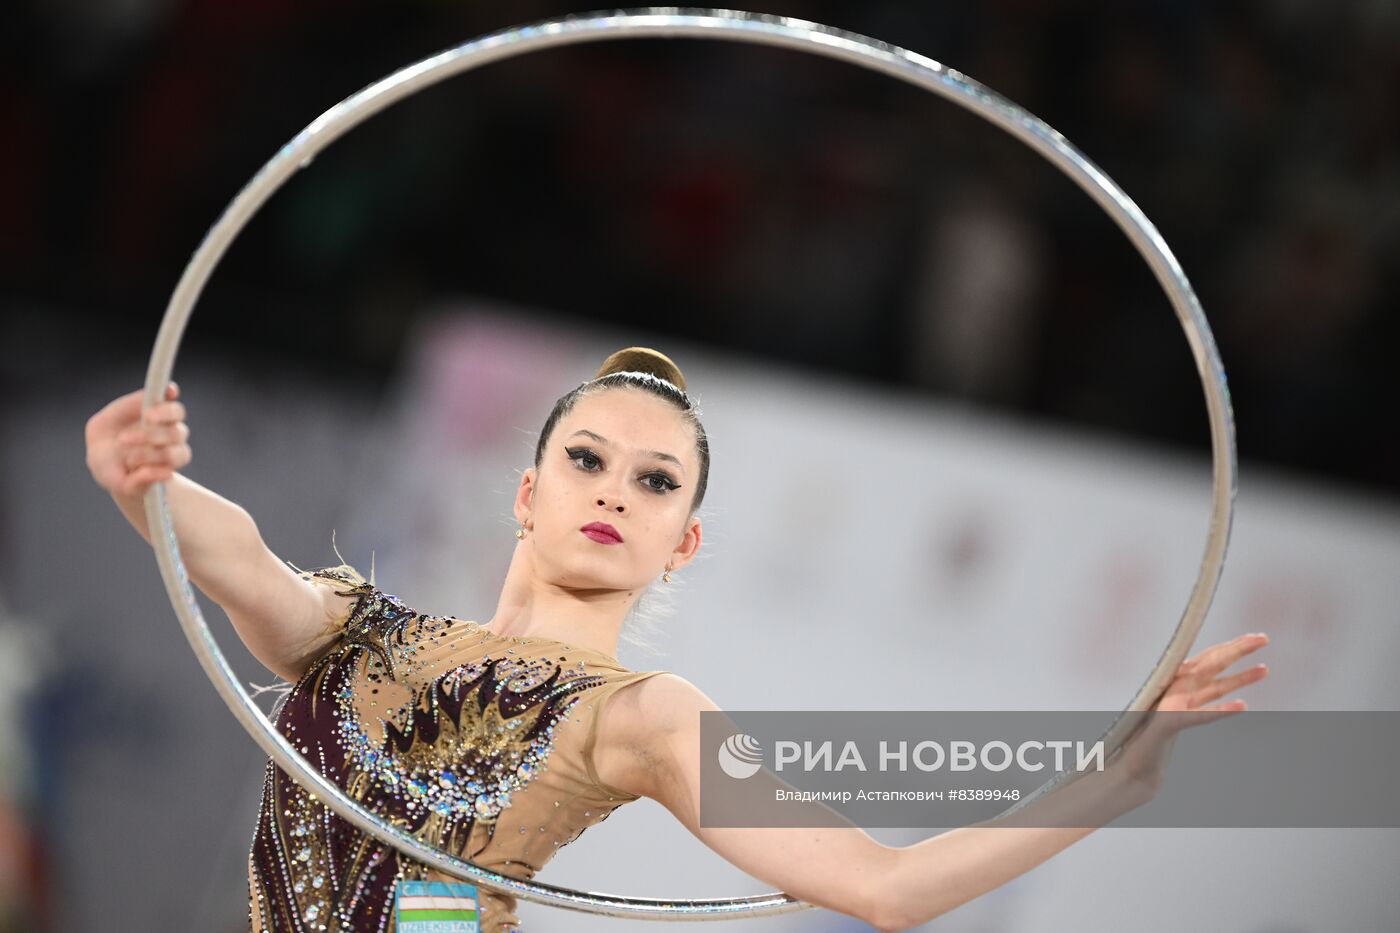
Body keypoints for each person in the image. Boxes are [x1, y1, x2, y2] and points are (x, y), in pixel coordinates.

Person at [85, 347, 1269, 932]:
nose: (614, 489)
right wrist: (143, 480)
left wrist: (1115, 781)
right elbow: (233, 558)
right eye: (585, 459)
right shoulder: (350, 633)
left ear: (682, 542)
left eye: (655, 481)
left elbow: (884, 887)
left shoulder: (644, 716)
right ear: (526, 492)